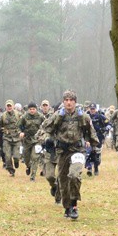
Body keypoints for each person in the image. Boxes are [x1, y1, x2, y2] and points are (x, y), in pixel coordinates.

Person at [41, 90, 99, 220]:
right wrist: (47, 140)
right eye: (66, 100)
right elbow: (46, 129)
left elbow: (91, 133)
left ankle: (74, 205)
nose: (68, 103)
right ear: (63, 102)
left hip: (77, 150)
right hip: (62, 152)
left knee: (74, 175)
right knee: (62, 180)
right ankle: (67, 207)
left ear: (75, 102)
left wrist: (95, 149)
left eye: (71, 100)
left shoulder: (82, 116)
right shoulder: (58, 116)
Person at [18, 102, 46, 181]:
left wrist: (43, 134)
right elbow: (18, 126)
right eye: (30, 109)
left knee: (35, 157)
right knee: (26, 157)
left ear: (36, 109)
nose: (32, 111)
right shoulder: (24, 117)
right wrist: (20, 132)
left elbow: (46, 125)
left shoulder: (41, 117)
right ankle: (28, 166)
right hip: (27, 139)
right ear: (28, 109)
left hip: (37, 140)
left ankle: (32, 176)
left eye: (33, 109)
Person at [0, 100, 21, 176]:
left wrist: (23, 132)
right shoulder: (2, 116)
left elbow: (24, 123)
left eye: (10, 106)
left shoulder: (19, 115)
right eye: (8, 106)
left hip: (17, 138)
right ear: (6, 107)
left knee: (16, 156)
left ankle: (16, 161)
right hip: (7, 138)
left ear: (13, 106)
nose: (9, 107)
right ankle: (11, 170)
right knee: (7, 156)